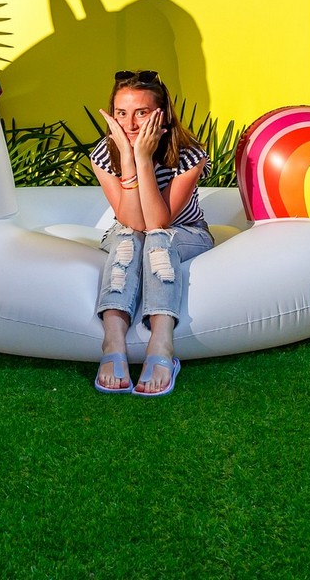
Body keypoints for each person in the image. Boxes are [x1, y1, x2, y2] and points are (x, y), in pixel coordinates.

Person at [90, 69, 212, 397]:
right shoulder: (103, 153)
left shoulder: (189, 154)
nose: (130, 124)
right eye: (121, 113)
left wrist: (143, 159)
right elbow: (132, 222)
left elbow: (158, 221)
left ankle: (162, 346)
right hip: (128, 231)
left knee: (156, 239)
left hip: (184, 232)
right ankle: (112, 343)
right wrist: (127, 159)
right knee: (128, 241)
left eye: (141, 113)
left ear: (162, 115)